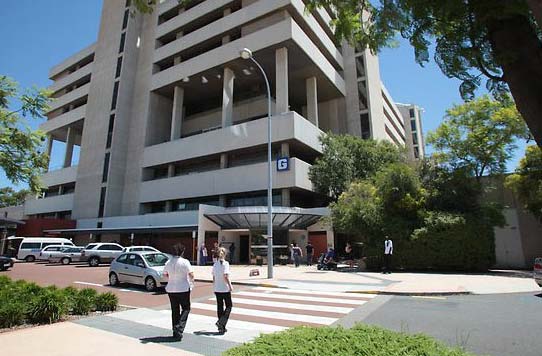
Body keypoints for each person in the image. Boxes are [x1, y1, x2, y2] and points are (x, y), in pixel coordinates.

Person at [163, 244, 194, 340]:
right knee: (186, 308)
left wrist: (171, 278)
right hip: (183, 288)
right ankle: (179, 327)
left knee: (175, 310)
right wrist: (191, 281)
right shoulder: (185, 262)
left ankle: (175, 333)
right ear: (182, 252)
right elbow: (191, 274)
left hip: (171, 288)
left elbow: (165, 274)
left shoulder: (168, 262)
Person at [213, 247, 233, 334]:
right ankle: (221, 322)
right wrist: (230, 285)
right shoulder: (226, 264)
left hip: (217, 288)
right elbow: (226, 276)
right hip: (224, 288)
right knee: (229, 306)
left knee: (219, 306)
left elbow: (213, 277)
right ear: (225, 254)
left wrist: (214, 286)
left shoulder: (215, 264)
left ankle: (221, 327)